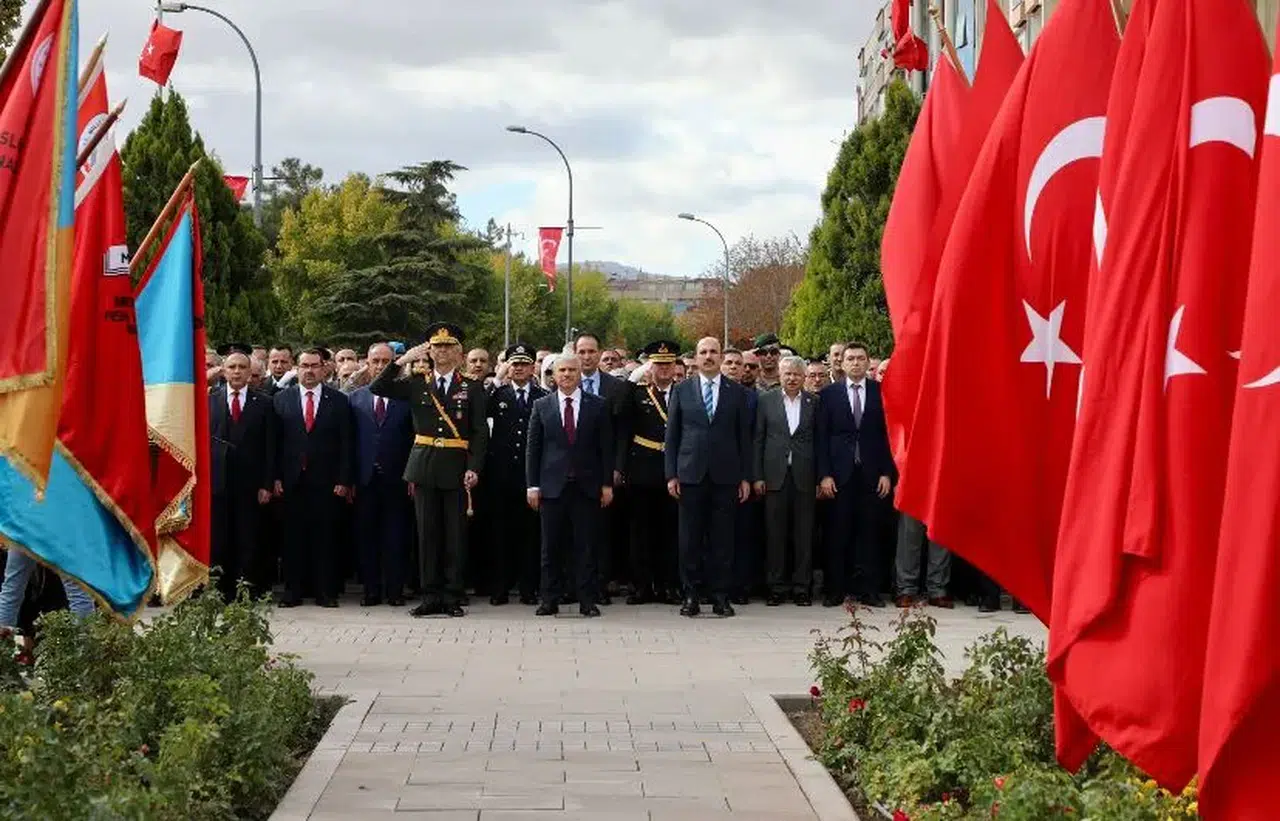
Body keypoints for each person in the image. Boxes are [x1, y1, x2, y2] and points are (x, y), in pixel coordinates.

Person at [370, 322, 488, 617]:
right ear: (429, 350)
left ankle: (452, 595)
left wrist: (474, 467)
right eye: (437, 346)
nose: (442, 351)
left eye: (448, 347)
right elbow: (378, 387)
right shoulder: (416, 382)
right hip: (424, 465)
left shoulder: (470, 387)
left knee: (454, 535)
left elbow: (479, 432)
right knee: (427, 533)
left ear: (459, 353)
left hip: (456, 465)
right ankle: (430, 595)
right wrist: (402, 360)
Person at [664, 337, 752, 618]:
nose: (709, 356)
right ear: (697, 358)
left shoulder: (736, 392)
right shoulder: (682, 390)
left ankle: (720, 597)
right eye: (703, 352)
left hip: (726, 476)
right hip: (690, 474)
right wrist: (671, 474)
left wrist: (746, 477)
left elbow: (744, 438)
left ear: (721, 356)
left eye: (714, 351)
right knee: (689, 539)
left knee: (723, 540)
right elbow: (673, 435)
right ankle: (691, 595)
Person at [526, 354, 614, 617]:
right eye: (562, 370)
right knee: (550, 547)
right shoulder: (541, 405)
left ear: (580, 374)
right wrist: (532, 485)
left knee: (586, 547)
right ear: (553, 375)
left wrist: (607, 484)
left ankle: (587, 600)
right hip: (552, 487)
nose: (566, 374)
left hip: (586, 487)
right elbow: (534, 449)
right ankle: (549, 599)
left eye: (572, 370)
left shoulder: (597, 405)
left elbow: (605, 449)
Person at [271, 348, 354, 607]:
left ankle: (325, 592)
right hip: (291, 481)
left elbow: (346, 444)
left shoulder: (339, 401)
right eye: (304, 365)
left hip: (326, 482)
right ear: (297, 368)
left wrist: (344, 479)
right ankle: (293, 591)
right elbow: (274, 444)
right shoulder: (281, 400)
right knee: (292, 539)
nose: (309, 371)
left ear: (324, 368)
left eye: (314, 366)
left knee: (325, 539)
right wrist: (274, 478)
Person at [816, 341, 895, 608]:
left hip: (872, 474)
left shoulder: (881, 392)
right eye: (850, 358)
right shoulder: (829, 395)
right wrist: (824, 475)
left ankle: (869, 590)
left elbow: (888, 436)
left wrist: (886, 472)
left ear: (867, 361)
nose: (855, 363)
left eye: (861, 358)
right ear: (842, 362)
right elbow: (821, 438)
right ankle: (836, 589)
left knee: (870, 534)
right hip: (840, 476)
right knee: (838, 533)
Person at [209, 343, 276, 601]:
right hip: (218, 483)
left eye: (242, 368)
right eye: (232, 367)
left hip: (251, 484)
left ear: (251, 372)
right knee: (220, 539)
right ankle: (219, 591)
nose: (237, 372)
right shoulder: (209, 401)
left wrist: (267, 484)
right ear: (223, 371)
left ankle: (246, 588)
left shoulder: (264, 403)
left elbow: (271, 447)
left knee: (248, 538)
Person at [350, 343, 415, 607]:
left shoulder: (406, 398)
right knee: (366, 536)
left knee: (396, 536)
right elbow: (349, 441)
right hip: (364, 480)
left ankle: (395, 590)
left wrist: (412, 475)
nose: (379, 366)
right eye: (375, 361)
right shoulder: (355, 398)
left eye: (386, 361)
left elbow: (414, 439)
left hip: (397, 479)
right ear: (367, 362)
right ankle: (371, 590)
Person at [619, 340, 681, 605]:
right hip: (642, 467)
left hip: (674, 469)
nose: (664, 370)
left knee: (670, 531)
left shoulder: (683, 392)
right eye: (658, 364)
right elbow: (618, 411)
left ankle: (669, 586)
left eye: (668, 364)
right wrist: (634, 378)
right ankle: (641, 586)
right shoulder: (637, 392)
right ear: (650, 366)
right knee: (640, 531)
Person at [753, 356, 818, 606]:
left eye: (796, 374)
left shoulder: (814, 402)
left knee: (804, 536)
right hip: (774, 477)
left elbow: (819, 441)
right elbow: (758, 439)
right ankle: (776, 587)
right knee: (775, 534)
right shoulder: (765, 401)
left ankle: (802, 587)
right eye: (787, 374)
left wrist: (820, 476)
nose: (791, 378)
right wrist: (757, 475)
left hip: (804, 476)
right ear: (780, 376)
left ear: (804, 377)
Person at [485, 343, 546, 605]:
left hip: (529, 476)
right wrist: (496, 379)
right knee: (499, 534)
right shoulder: (497, 395)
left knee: (530, 535)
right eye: (514, 364)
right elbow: (478, 408)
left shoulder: (542, 396)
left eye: (524, 363)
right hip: (501, 476)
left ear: (533, 367)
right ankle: (499, 587)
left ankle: (528, 588)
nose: (518, 368)